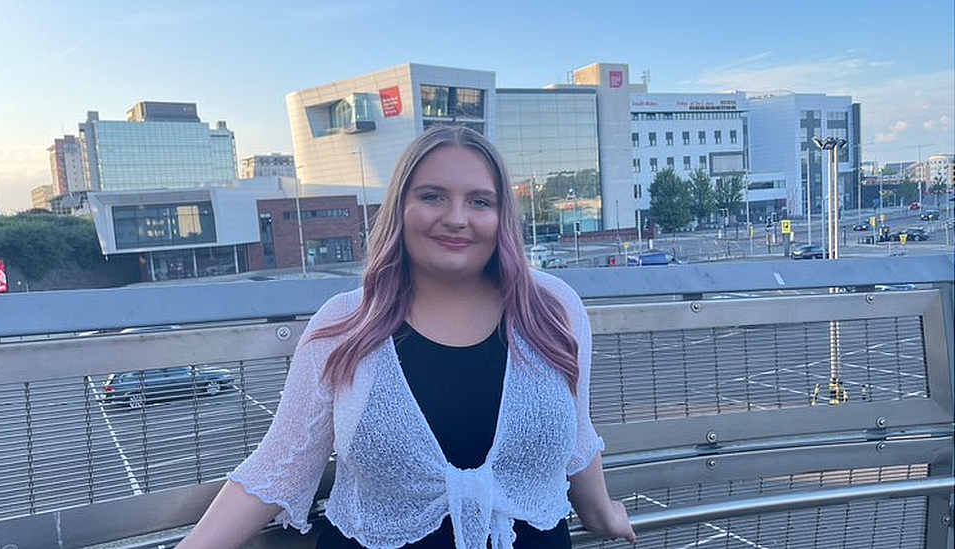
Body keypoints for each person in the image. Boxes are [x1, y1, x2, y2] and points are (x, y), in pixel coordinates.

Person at [177, 125, 636, 549]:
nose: (457, 218)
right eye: (433, 196)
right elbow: (279, 466)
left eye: (480, 201)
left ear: (502, 216)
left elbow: (575, 432)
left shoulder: (554, 308)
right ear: (401, 206)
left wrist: (599, 512)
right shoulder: (344, 325)